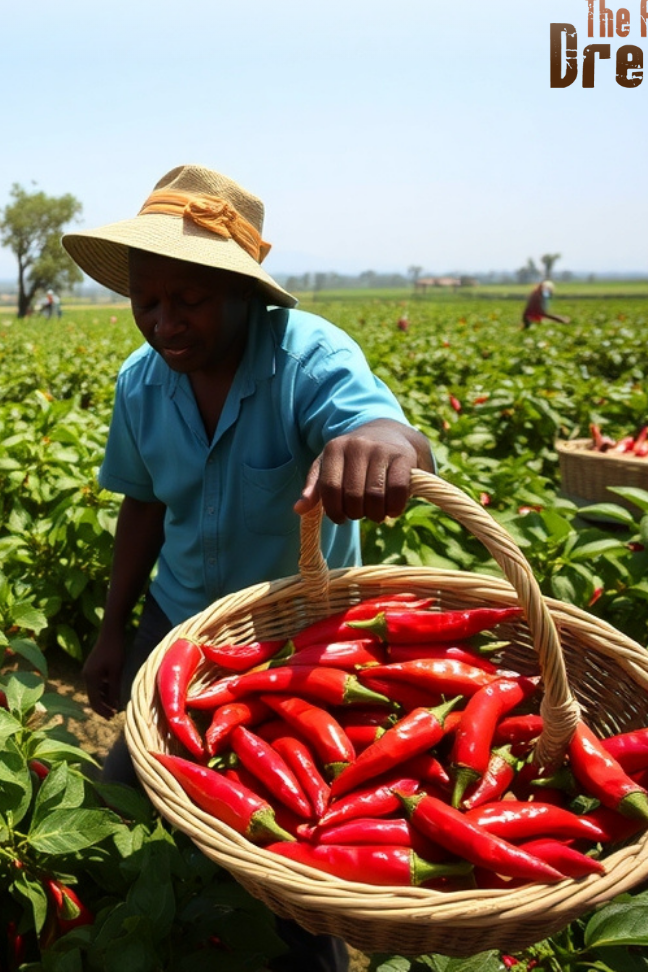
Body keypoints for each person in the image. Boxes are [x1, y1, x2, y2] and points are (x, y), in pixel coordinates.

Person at [63, 164, 433, 972]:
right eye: (147, 302)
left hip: (297, 637)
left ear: (241, 292)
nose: (164, 322)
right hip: (180, 620)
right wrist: (112, 633)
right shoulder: (141, 384)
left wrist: (382, 446)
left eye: (187, 298)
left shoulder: (307, 357)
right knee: (127, 792)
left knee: (292, 835)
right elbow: (144, 509)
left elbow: (390, 432)